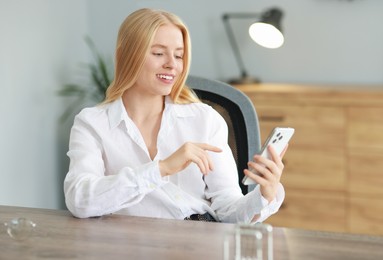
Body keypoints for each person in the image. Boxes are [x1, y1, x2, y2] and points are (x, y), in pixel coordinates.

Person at [64, 8, 287, 223]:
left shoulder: (205, 120)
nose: (172, 65)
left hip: (196, 240)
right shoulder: (92, 123)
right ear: (126, 56)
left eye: (179, 55)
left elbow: (228, 211)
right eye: (159, 53)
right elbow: (80, 200)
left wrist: (264, 196)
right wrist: (161, 169)